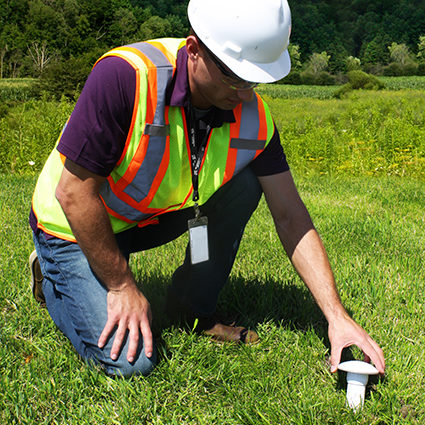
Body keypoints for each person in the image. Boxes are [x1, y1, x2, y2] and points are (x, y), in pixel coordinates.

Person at [29, 0, 385, 377]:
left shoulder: (254, 117)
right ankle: (51, 274)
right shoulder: (126, 77)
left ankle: (191, 309)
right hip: (73, 224)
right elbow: (73, 193)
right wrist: (120, 285)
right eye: (234, 77)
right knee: (130, 364)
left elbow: (291, 216)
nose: (245, 94)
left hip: (148, 218)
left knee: (246, 184)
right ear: (194, 49)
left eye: (255, 80)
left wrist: (337, 316)